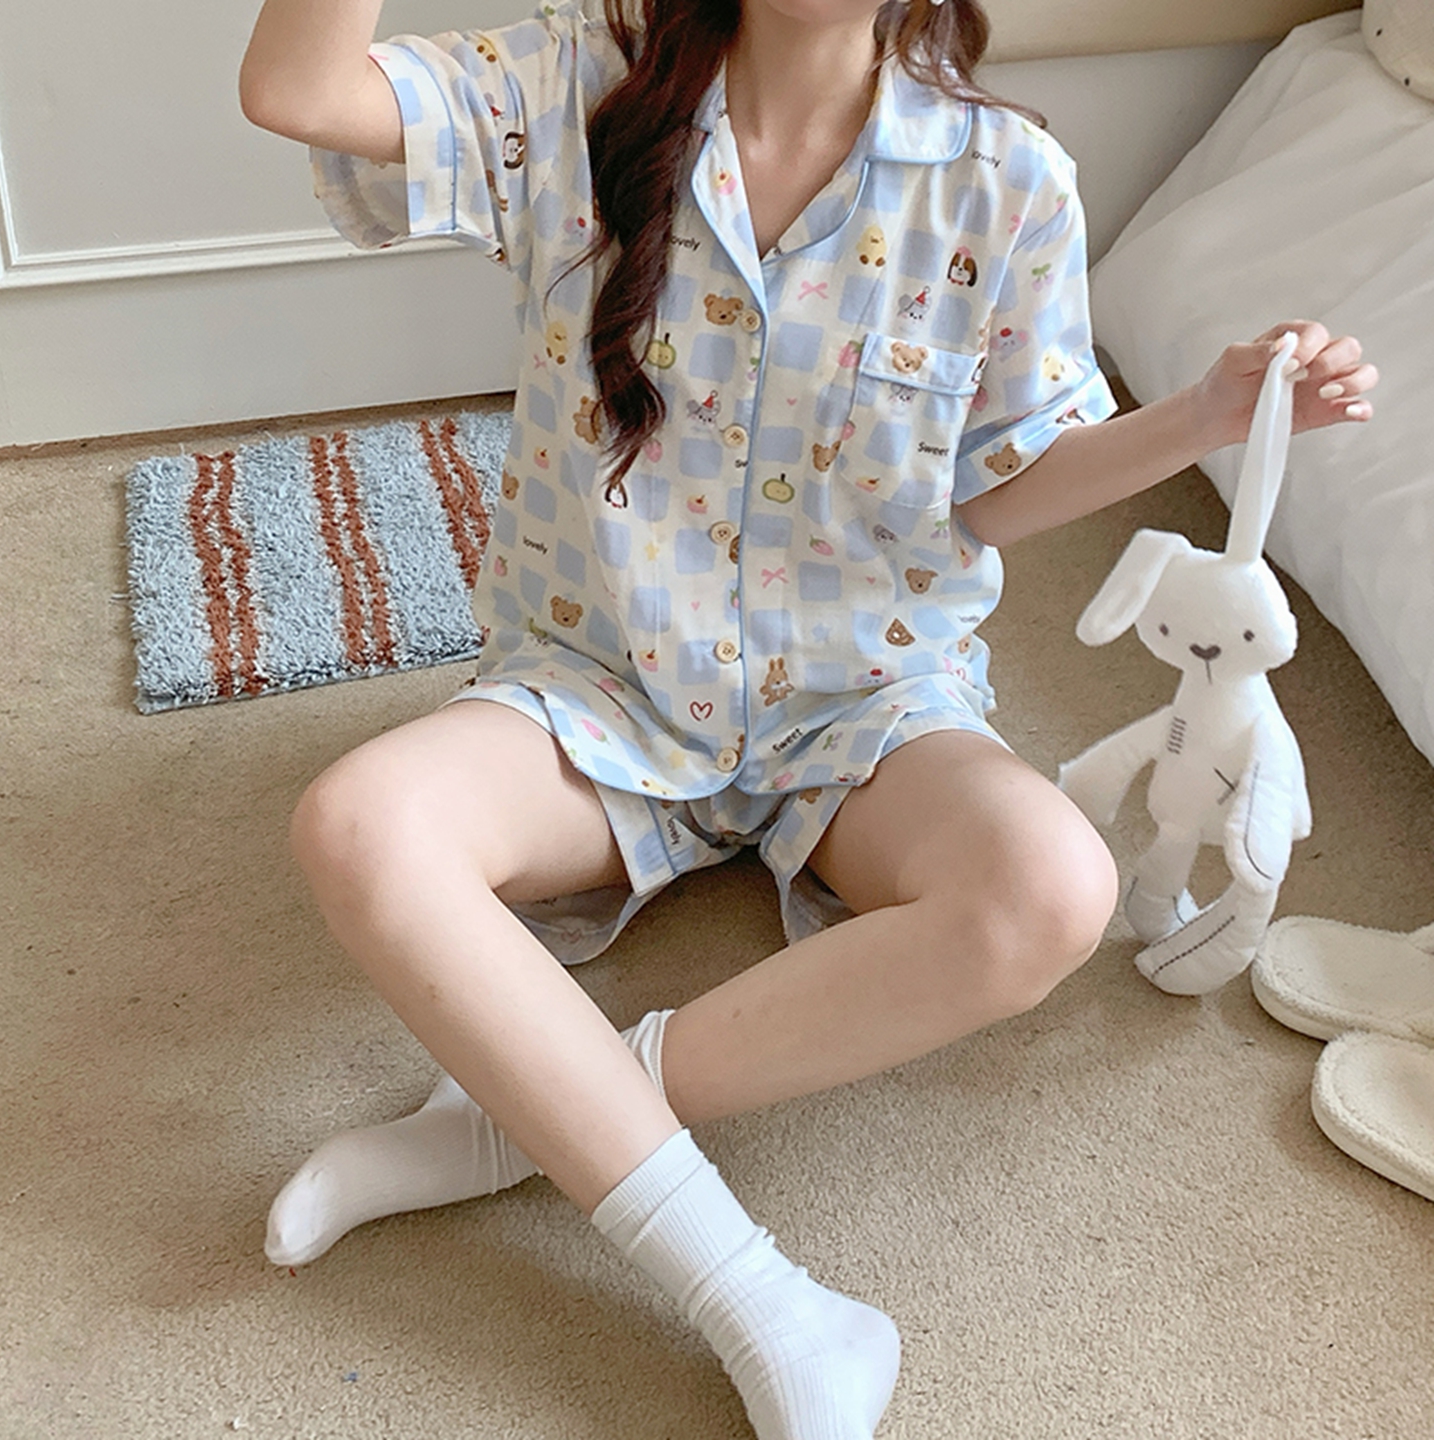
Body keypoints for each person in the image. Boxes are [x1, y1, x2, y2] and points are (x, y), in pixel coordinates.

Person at [239, 1, 1378, 1434]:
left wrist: (1207, 413)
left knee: (1051, 887)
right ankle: (762, 1301)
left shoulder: (1006, 180)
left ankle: (522, 1117)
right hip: (599, 686)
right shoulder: (576, 84)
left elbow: (995, 492)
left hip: (866, 701)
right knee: (359, 825)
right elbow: (297, 90)